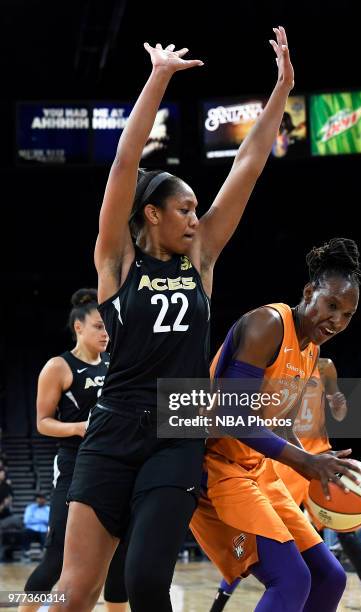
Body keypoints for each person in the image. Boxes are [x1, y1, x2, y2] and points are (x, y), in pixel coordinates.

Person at [51, 27, 296, 612]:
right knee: (74, 591)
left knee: (142, 583)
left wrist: (282, 89)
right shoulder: (115, 263)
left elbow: (249, 163)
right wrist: (157, 77)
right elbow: (123, 164)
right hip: (110, 429)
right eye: (184, 208)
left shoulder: (202, 258)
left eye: (197, 210)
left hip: (174, 430)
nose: (195, 217)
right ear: (151, 214)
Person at [191, 237, 361, 612]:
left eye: (348, 314)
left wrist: (320, 462)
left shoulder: (312, 350)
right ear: (309, 292)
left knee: (330, 577)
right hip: (217, 469)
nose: (337, 320)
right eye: (331, 305)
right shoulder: (267, 324)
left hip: (258, 471)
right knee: (291, 579)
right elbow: (230, 416)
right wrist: (303, 463)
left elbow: (279, 420)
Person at [208, 357, 361, 612]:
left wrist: (338, 405)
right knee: (269, 547)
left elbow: (339, 411)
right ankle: (219, 604)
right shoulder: (274, 361)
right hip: (287, 459)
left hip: (318, 456)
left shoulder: (324, 365)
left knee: (341, 548)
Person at [19, 289, 128, 612]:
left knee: (119, 557)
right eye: (98, 326)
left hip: (114, 466)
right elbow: (42, 422)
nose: (106, 333)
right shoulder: (59, 367)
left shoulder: (115, 364)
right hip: (74, 467)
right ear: (78, 327)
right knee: (56, 559)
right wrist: (79, 428)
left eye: (108, 326)